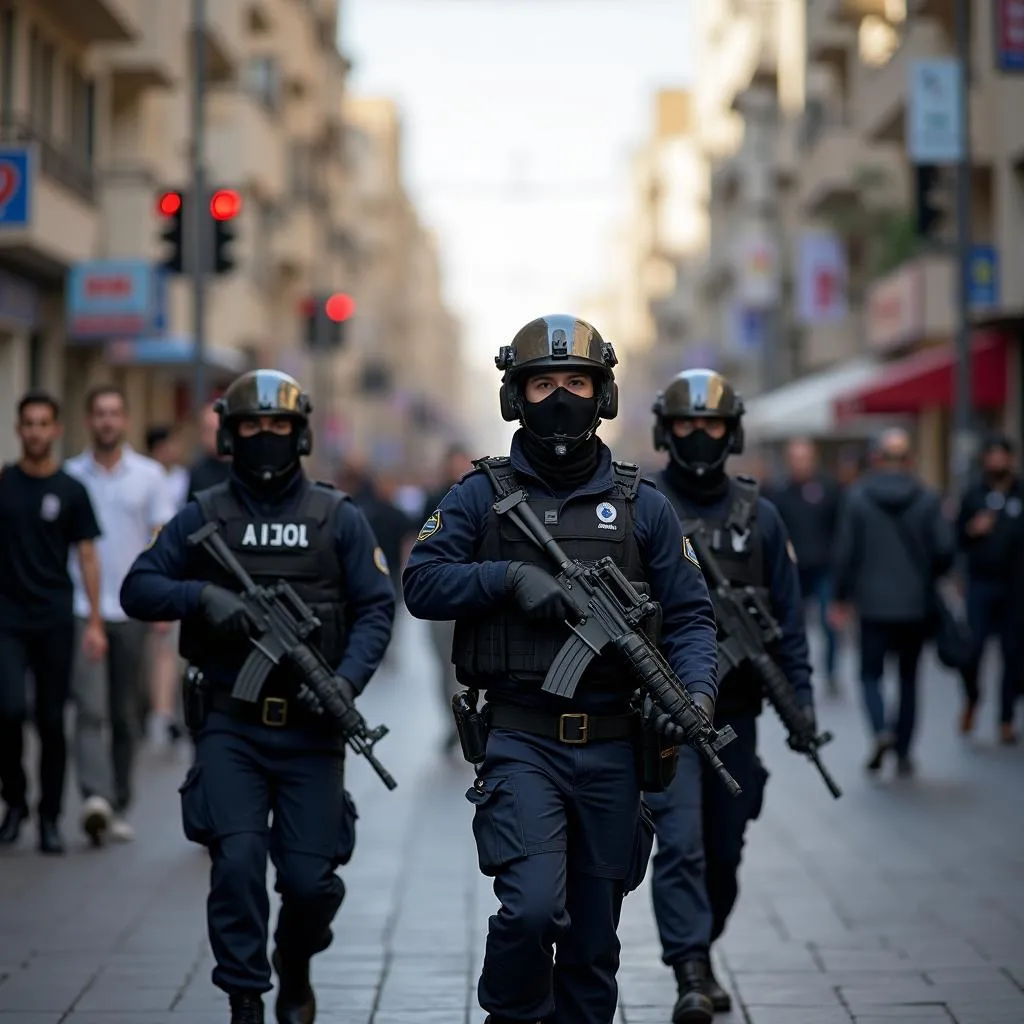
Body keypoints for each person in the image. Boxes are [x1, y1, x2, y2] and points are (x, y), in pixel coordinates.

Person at [403, 315, 720, 1024]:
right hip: (521, 740)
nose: (559, 398)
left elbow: (694, 617)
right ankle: (511, 1013)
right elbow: (421, 583)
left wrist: (694, 692)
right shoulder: (479, 496)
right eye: (542, 384)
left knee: (591, 946)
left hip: (613, 747)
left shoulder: (646, 506)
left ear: (603, 394)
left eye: (576, 382)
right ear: (515, 398)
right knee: (532, 910)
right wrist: (506, 578)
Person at [120, 369, 395, 1024]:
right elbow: (138, 588)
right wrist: (201, 597)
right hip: (232, 724)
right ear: (230, 435)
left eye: (278, 427)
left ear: (298, 436)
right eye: (251, 426)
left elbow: (376, 610)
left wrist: (345, 683)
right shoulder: (202, 517)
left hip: (313, 732)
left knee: (308, 882)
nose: (264, 438)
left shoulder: (338, 518)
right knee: (237, 862)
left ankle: (293, 967)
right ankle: (245, 996)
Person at [645, 369, 813, 1022]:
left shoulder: (760, 517)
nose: (697, 436)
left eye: (710, 424)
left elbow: (790, 626)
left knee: (724, 848)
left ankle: (701, 947)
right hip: (669, 714)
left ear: (731, 431)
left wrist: (802, 703)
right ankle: (690, 968)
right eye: (685, 425)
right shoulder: (645, 507)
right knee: (680, 843)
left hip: (738, 712)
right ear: (666, 430)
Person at [65, 386, 177, 846]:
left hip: (132, 607)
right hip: (80, 606)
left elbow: (161, 537)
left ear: (125, 420)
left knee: (126, 711)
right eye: (99, 414)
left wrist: (162, 599)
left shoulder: (150, 476)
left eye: (114, 413)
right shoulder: (72, 476)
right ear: (89, 420)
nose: (107, 422)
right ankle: (95, 797)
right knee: (89, 708)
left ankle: (119, 802)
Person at [0, 391, 105, 855]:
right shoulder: (3, 483)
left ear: (57, 430)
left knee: (49, 721)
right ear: (19, 430)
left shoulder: (71, 490)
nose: (36, 432)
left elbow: (87, 557)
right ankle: (15, 802)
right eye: (29, 424)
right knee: (7, 712)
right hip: (7, 617)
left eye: (44, 423)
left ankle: (48, 818)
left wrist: (97, 621)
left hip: (56, 618)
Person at [830, 428, 954, 776]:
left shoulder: (857, 497)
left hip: (871, 604)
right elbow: (945, 550)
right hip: (915, 605)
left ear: (876, 459)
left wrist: (840, 597)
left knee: (870, 673)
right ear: (910, 460)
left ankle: (881, 728)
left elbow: (845, 554)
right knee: (909, 677)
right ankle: (903, 749)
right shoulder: (927, 498)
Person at [955, 434, 1021, 743]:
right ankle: (972, 698)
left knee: (1014, 653)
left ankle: (1006, 718)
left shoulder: (1020, 494)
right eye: (990, 455)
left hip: (1015, 586)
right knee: (972, 650)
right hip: (981, 583)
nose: (996, 462)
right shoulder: (973, 496)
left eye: (1001, 456)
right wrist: (972, 529)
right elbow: (955, 539)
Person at [767, 438, 843, 696]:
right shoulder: (778, 492)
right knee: (791, 623)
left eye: (805, 458)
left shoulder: (830, 489)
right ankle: (792, 673)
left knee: (829, 625)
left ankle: (832, 673)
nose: (800, 463)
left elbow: (839, 529)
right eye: (795, 458)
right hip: (792, 570)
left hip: (824, 568)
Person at [420, 444, 474, 754]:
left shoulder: (481, 496)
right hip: (441, 598)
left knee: (472, 665)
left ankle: (471, 722)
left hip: (471, 597)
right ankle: (453, 723)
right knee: (444, 667)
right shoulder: (433, 497)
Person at [146, 424, 191, 748]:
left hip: (175, 574)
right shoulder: (150, 479)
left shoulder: (183, 478)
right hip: (153, 572)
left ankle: (165, 713)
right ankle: (156, 711)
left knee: (169, 651)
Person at [187, 401, 231, 500]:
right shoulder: (198, 473)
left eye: (218, 429)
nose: (214, 436)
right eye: (208, 430)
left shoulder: (247, 468)